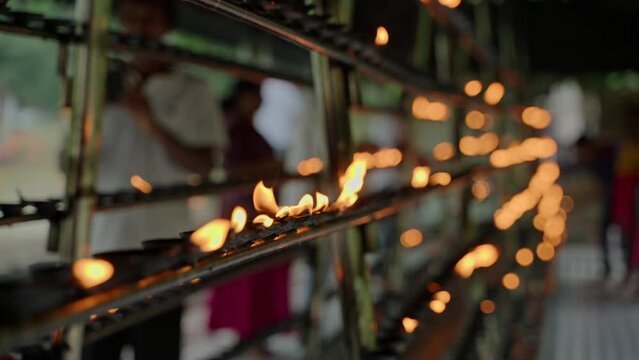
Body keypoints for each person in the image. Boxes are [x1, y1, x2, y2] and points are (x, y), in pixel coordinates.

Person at [84, 0, 227, 358]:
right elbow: (75, 163)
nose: (138, 28)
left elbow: (205, 166)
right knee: (97, 350)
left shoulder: (193, 91)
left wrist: (152, 125)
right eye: (131, 19)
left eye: (149, 19)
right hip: (103, 249)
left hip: (161, 252)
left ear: (166, 26)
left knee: (156, 349)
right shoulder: (98, 84)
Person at [207, 81, 290, 347]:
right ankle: (249, 341)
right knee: (246, 281)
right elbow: (232, 172)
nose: (260, 102)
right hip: (244, 218)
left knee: (258, 280)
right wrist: (269, 166)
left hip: (257, 219)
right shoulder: (233, 129)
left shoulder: (248, 129)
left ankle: (256, 340)